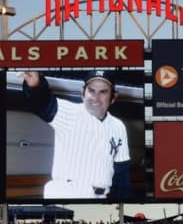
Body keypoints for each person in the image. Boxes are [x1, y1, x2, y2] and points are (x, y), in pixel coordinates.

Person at [20, 70, 132, 199]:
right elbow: (41, 102)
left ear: (113, 97)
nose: (96, 97)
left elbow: (121, 174)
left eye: (103, 92)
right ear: (82, 93)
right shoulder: (70, 112)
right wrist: (35, 85)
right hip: (68, 192)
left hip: (102, 196)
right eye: (91, 90)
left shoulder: (118, 126)